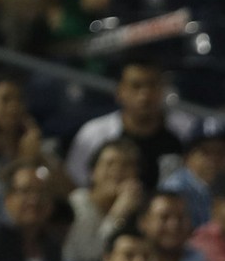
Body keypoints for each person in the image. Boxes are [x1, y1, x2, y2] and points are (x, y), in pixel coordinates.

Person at [64, 56, 191, 190]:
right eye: (136, 86)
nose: (145, 95)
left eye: (152, 85)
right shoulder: (94, 133)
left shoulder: (186, 130)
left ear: (163, 89)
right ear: (120, 92)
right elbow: (76, 185)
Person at [61, 136, 144, 261]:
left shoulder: (140, 207)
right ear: (93, 172)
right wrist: (118, 213)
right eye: (110, 164)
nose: (117, 171)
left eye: (126, 165)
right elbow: (89, 257)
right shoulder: (78, 203)